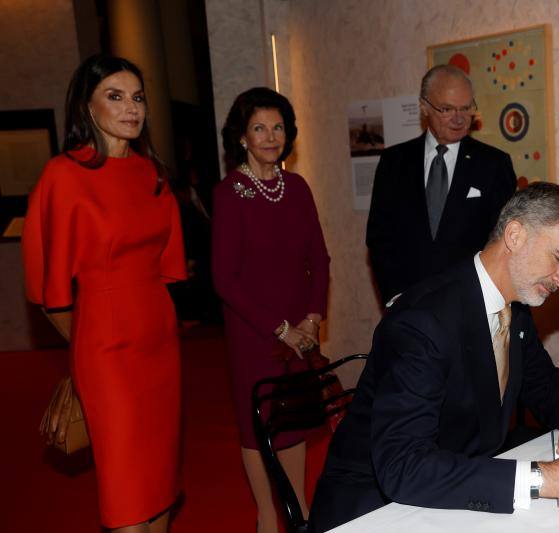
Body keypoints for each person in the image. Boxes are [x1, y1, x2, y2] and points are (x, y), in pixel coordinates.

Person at [310, 182, 559, 532]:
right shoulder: (422, 321)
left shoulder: (514, 309)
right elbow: (403, 467)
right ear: (514, 236)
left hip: (451, 491)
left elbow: (543, 382)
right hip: (374, 509)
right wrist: (544, 479)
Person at [22, 54, 186, 532]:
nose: (131, 108)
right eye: (115, 96)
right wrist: (86, 351)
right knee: (125, 488)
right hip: (107, 354)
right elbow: (52, 294)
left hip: (161, 344)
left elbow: (167, 268)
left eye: (137, 97)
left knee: (161, 480)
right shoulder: (64, 176)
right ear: (87, 107)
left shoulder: (153, 174)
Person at [212, 87, 330, 533]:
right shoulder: (229, 193)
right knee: (258, 424)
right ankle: (267, 518)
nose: (270, 137)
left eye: (277, 127)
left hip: (300, 329)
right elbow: (225, 279)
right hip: (254, 333)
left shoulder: (296, 187)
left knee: (293, 420)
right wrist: (279, 329)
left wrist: (312, 319)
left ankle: (298, 512)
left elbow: (320, 260)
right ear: (242, 137)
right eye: (259, 128)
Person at [366, 64, 517, 306]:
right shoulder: (394, 162)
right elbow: (380, 236)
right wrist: (396, 297)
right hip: (409, 304)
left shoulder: (493, 165)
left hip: (472, 304)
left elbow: (504, 241)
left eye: (466, 108)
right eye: (446, 109)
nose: (459, 118)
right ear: (424, 106)